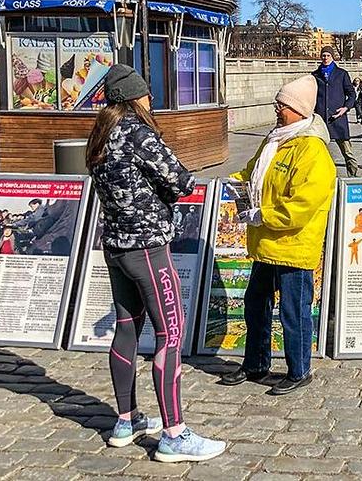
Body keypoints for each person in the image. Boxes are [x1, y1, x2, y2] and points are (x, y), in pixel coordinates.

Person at [86, 64, 225, 463]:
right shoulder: (138, 132)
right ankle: (174, 434)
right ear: (135, 96)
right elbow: (181, 180)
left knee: (127, 329)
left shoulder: (101, 134)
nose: (151, 100)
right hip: (147, 246)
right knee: (171, 333)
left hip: (115, 245)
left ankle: (126, 420)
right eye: (146, 94)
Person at [219, 74, 336, 396]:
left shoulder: (311, 150)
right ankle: (256, 363)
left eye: (282, 105)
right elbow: (253, 171)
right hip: (266, 242)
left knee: (293, 310)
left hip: (293, 244)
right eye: (277, 104)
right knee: (255, 303)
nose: (277, 109)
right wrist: (232, 181)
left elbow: (302, 205)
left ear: (299, 109)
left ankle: (299, 369)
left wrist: (263, 215)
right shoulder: (275, 139)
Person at [312, 47, 358, 177]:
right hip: (321, 119)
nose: (325, 58)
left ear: (332, 57)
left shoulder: (341, 74)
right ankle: (323, 179)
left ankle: (352, 177)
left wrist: (346, 108)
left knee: (347, 152)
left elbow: (352, 94)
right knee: (319, 152)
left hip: (338, 119)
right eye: (323, 55)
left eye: (327, 55)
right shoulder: (315, 75)